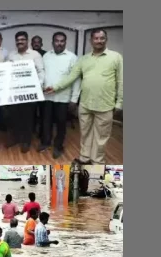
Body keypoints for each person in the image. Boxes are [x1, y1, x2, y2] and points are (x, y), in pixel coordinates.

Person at [44, 29, 122, 164]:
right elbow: (72, 77)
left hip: (105, 104)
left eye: (101, 38)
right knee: (85, 134)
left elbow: (121, 81)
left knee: (100, 137)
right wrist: (55, 87)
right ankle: (84, 158)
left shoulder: (116, 57)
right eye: (96, 38)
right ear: (91, 40)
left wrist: (120, 103)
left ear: (106, 39)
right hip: (85, 104)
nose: (99, 41)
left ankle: (97, 162)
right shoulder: (84, 59)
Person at [41, 32, 81, 159]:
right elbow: (42, 74)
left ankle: (58, 146)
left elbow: (76, 79)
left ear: (65, 42)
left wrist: (74, 99)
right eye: (57, 41)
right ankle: (46, 142)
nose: (59, 43)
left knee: (61, 123)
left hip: (63, 98)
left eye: (62, 41)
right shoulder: (46, 56)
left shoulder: (72, 57)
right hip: (47, 97)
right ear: (52, 42)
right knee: (46, 122)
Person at [6, 31, 46, 153]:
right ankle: (16, 138)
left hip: (30, 92)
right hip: (15, 92)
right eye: (18, 40)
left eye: (22, 39)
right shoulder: (11, 55)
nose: (20, 42)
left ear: (27, 41)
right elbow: (7, 71)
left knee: (28, 117)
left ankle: (26, 141)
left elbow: (41, 71)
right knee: (15, 116)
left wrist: (37, 85)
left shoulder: (35, 55)